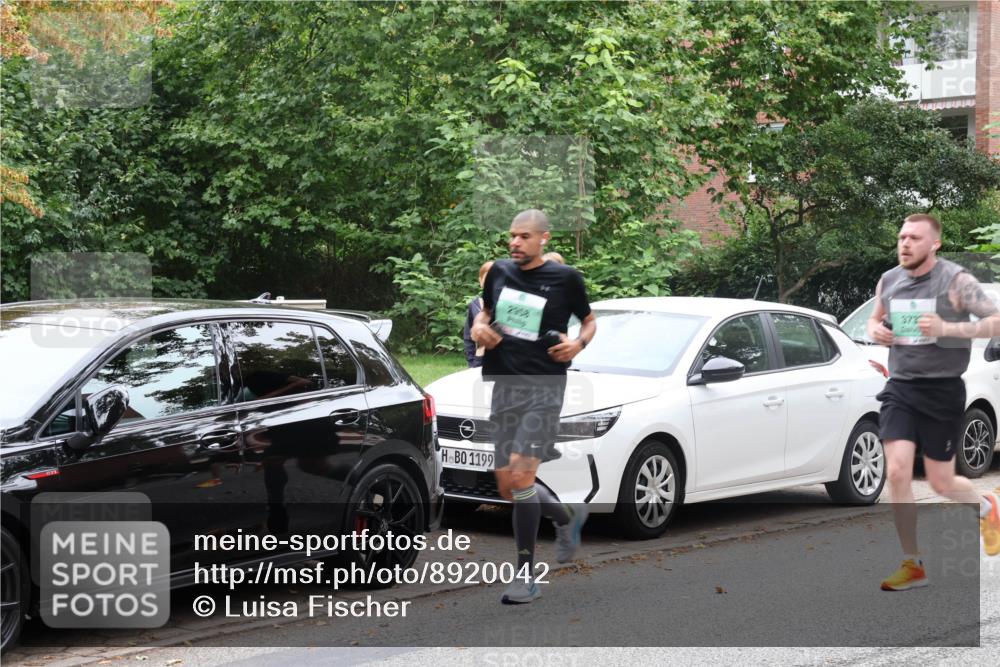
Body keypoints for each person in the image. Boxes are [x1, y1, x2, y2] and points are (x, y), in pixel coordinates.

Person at [866, 213, 1000, 590]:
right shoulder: (889, 280)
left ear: (935, 243)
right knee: (897, 471)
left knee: (941, 482)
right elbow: (874, 320)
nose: (905, 244)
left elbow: (996, 321)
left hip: (943, 390)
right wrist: (876, 331)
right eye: (902, 237)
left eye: (914, 238)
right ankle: (913, 564)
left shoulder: (956, 280)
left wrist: (948, 328)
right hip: (901, 387)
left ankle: (987, 508)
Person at [470, 209, 597, 604]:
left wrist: (577, 344)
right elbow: (486, 312)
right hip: (504, 387)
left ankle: (526, 576)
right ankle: (566, 516)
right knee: (508, 487)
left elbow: (590, 321)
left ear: (544, 238)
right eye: (512, 235)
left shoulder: (565, 277)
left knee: (523, 478)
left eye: (524, 236)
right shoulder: (499, 272)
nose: (515, 242)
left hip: (544, 389)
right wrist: (479, 325)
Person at [463, 261, 494, 367]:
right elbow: (468, 337)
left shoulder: (507, 304)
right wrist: (471, 360)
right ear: (480, 281)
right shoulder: (474, 305)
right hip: (480, 359)